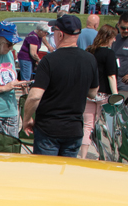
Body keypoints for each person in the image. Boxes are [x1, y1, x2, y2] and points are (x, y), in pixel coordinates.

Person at [22, 14, 98, 157]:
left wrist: (26, 119)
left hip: (48, 129)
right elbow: (93, 92)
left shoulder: (49, 61)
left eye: (54, 31)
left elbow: (34, 96)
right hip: (74, 128)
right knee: (66, 170)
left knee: (47, 170)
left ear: (60, 34)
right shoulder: (90, 59)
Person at [81, 23, 119, 159]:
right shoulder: (109, 53)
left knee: (87, 126)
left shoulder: (89, 51)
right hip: (104, 95)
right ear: (108, 37)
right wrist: (116, 95)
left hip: (89, 93)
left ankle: (83, 156)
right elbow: (111, 76)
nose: (115, 40)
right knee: (102, 127)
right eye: (113, 37)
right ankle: (101, 155)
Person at [0, 22, 25, 138]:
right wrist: (5, 88)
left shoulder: (9, 54)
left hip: (11, 111)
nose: (11, 48)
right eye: (9, 44)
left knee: (11, 147)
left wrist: (17, 84)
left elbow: (10, 77)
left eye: (13, 44)